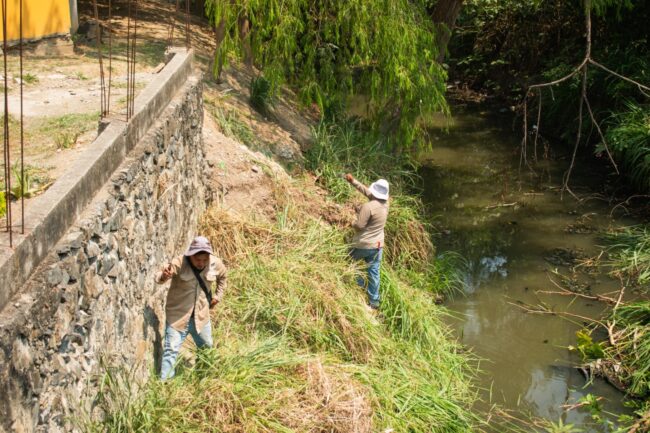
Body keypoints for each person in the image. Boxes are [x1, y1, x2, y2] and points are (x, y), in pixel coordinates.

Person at [155, 236, 227, 380]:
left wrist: (217, 297)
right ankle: (166, 386)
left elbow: (223, 277)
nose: (201, 263)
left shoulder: (215, 263)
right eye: (197, 260)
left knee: (206, 349)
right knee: (171, 351)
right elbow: (159, 276)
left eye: (204, 260)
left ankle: (203, 380)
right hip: (178, 317)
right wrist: (164, 276)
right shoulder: (180, 262)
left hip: (201, 317)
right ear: (191, 255)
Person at [345, 173, 389, 310]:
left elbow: (360, 226)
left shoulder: (368, 207)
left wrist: (350, 221)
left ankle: (359, 284)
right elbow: (367, 192)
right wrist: (353, 181)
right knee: (374, 272)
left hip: (363, 244)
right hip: (378, 246)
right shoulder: (386, 204)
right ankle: (374, 302)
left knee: (348, 261)